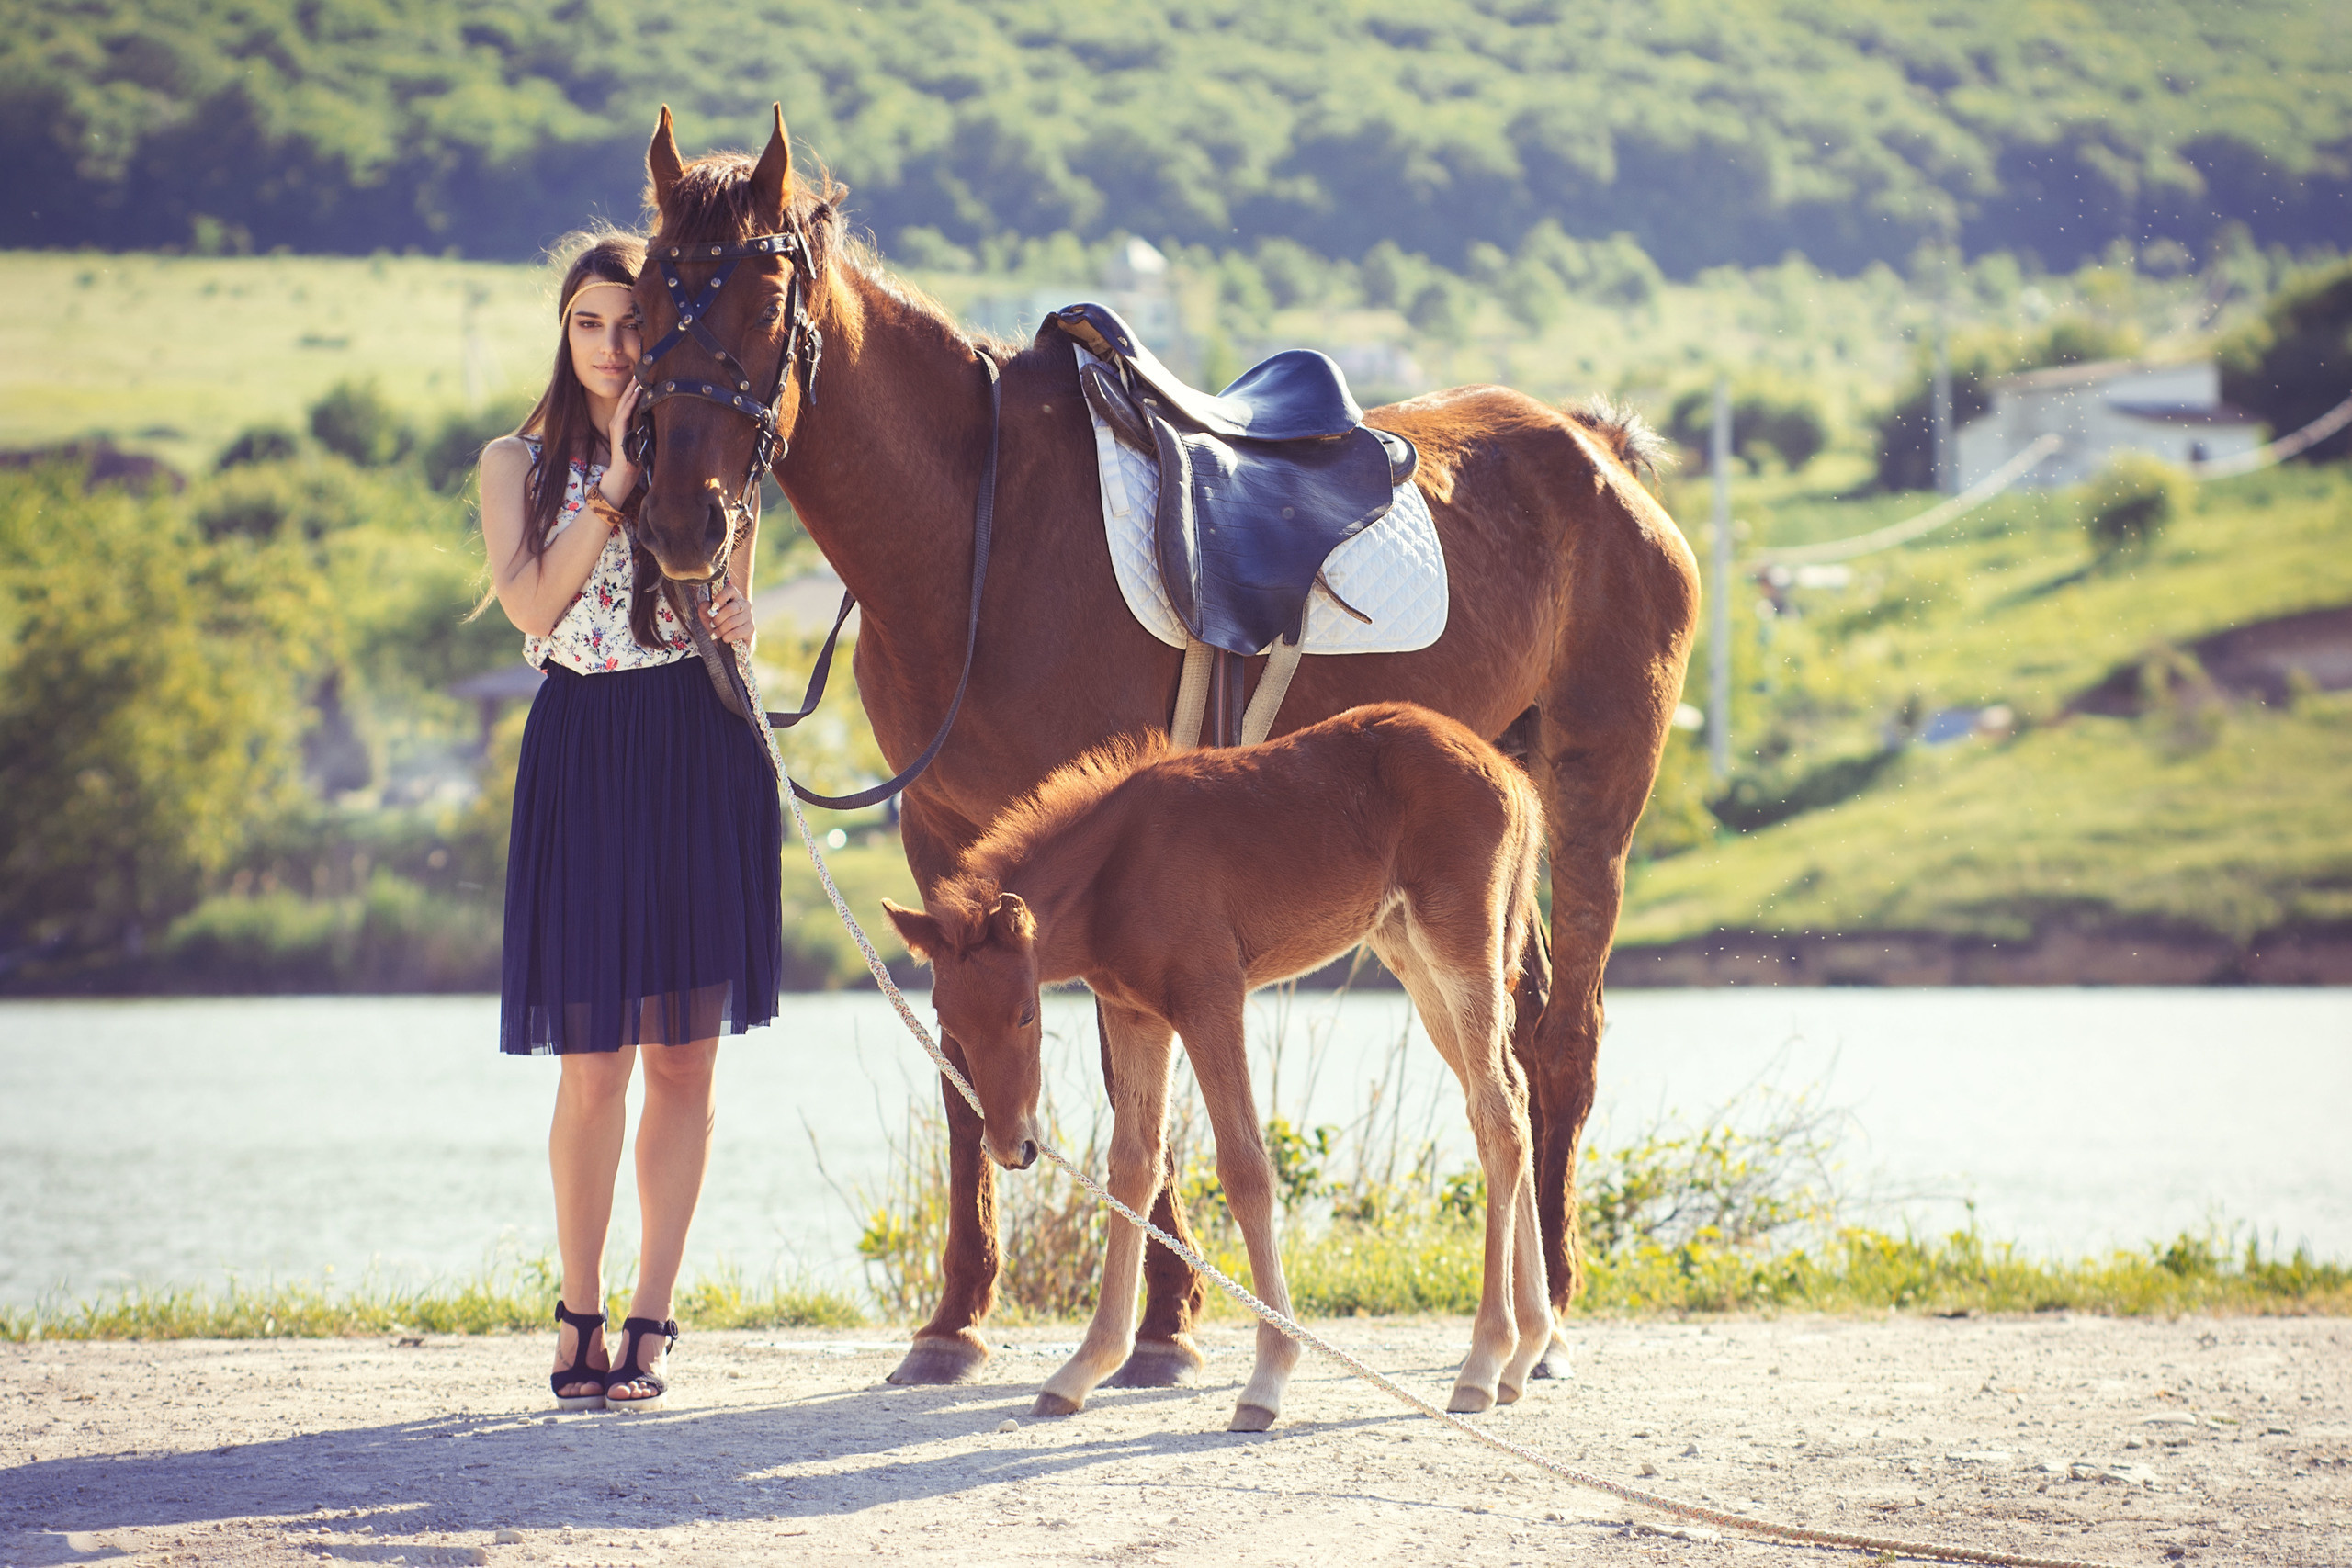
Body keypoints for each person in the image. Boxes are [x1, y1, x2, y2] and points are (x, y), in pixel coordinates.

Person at [478, 231, 783, 1413]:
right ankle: (580, 1309)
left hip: (697, 740)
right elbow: (538, 602)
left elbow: (730, 595)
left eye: (628, 324)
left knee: (685, 1057)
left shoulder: (702, 459)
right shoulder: (515, 463)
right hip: (586, 748)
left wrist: (736, 605)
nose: (611, 347)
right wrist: (610, 480)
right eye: (588, 324)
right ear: (563, 332)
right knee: (592, 1060)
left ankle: (653, 1316)